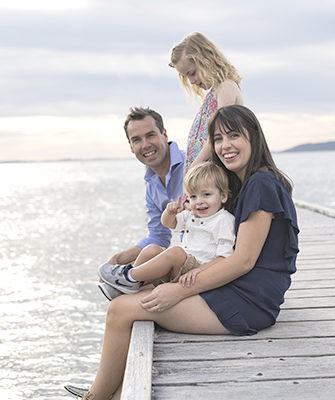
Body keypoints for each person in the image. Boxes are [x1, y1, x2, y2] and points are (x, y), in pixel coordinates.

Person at [65, 105, 299, 400]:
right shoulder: (247, 182)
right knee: (140, 289)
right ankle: (115, 390)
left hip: (248, 302)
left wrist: (178, 291)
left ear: (253, 136)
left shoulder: (261, 184)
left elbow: (243, 261)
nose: (225, 146)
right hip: (236, 289)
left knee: (120, 309)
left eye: (234, 136)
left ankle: (95, 398)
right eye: (217, 139)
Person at [98, 162, 236, 298]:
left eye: (206, 194)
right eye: (193, 196)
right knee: (152, 249)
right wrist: (169, 213)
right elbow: (168, 223)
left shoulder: (224, 220)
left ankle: (128, 276)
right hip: (180, 266)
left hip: (200, 271)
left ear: (223, 196)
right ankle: (128, 285)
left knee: (176, 252)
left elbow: (224, 258)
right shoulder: (191, 215)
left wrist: (199, 271)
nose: (199, 201)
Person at [98, 107, 185, 300]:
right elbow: (158, 236)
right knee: (150, 253)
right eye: (136, 140)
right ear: (131, 147)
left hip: (205, 258)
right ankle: (123, 284)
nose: (145, 145)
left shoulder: (192, 165)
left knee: (126, 299)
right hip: (184, 257)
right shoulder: (151, 185)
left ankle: (122, 286)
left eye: (150, 135)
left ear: (164, 134)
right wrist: (118, 259)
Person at [169, 32, 243, 172]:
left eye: (192, 73)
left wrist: (194, 167)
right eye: (186, 77)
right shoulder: (214, 92)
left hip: (213, 173)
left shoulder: (226, 87)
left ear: (207, 61)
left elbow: (220, 133)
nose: (191, 81)